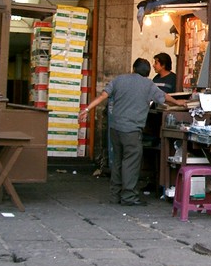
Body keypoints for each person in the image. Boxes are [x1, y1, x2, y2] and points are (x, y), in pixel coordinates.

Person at [79, 58, 187, 206]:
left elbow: (103, 96)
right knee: (131, 162)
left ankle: (115, 195)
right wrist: (179, 102)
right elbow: (164, 97)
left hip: (115, 129)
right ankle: (129, 196)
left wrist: (86, 109)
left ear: (133, 69)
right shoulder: (148, 84)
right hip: (131, 130)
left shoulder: (119, 80)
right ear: (147, 72)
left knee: (118, 161)